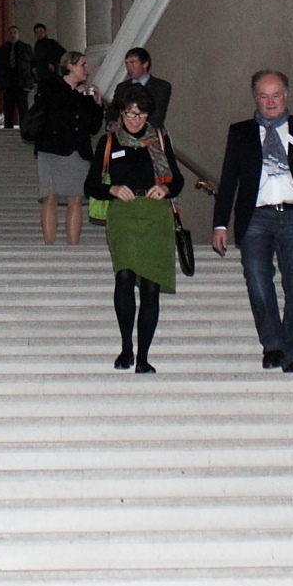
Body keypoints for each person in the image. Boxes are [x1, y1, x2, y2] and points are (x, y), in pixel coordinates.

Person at [212, 70, 293, 373]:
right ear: (256, 97)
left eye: (276, 94)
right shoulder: (240, 132)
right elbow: (229, 181)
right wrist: (220, 224)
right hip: (256, 218)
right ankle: (273, 345)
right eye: (264, 96)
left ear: (286, 95)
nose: (271, 102)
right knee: (256, 279)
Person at [84, 82, 185, 373]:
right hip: (124, 216)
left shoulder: (160, 141)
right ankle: (126, 347)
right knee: (125, 277)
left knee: (151, 286)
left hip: (155, 216)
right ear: (122, 113)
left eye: (140, 114)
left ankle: (143, 357)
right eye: (129, 113)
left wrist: (165, 190)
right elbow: (90, 185)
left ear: (148, 115)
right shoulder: (109, 142)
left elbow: (176, 180)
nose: (135, 119)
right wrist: (113, 189)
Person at [33, 50, 102, 245]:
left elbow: (93, 126)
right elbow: (56, 111)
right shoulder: (52, 86)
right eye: (83, 65)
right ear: (70, 66)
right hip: (52, 148)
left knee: (76, 197)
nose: (87, 70)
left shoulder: (84, 94)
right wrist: (75, 94)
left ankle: (73, 246)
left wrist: (97, 105)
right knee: (50, 195)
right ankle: (49, 245)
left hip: (77, 150)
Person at [109, 46, 172, 129]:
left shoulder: (161, 86)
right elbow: (113, 109)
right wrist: (111, 123)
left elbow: (157, 115)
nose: (129, 67)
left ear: (145, 64)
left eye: (132, 62)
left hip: (150, 135)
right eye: (127, 63)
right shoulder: (122, 87)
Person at [0, 25, 33, 128]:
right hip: (8, 84)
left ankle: (24, 130)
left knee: (23, 109)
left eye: (15, 33)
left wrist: (31, 81)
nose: (12, 35)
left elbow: (33, 65)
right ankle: (8, 130)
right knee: (8, 110)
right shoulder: (2, 50)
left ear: (18, 35)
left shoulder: (26, 48)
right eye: (10, 33)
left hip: (22, 84)